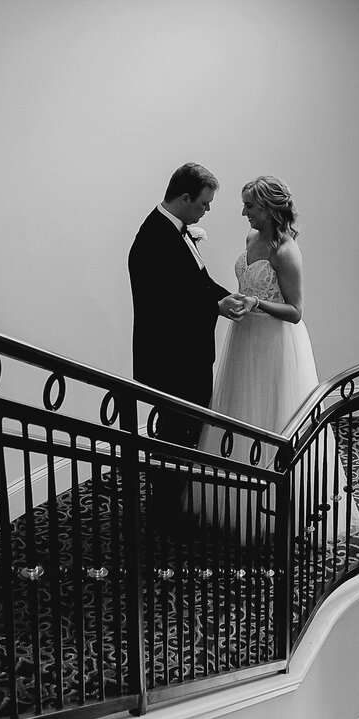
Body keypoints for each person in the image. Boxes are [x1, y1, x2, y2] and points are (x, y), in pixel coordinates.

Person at [196, 176, 359, 544]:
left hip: (275, 342)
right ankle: (236, 499)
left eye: (249, 207)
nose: (243, 213)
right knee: (241, 410)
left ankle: (278, 506)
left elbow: (296, 311)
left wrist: (256, 304)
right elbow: (247, 286)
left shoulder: (285, 251)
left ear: (269, 208)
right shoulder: (251, 239)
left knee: (275, 414)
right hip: (245, 338)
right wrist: (239, 302)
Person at [128, 164, 246, 522]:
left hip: (187, 354)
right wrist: (215, 307)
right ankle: (164, 510)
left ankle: (172, 500)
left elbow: (197, 282)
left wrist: (228, 300)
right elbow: (165, 305)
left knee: (184, 429)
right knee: (176, 434)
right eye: (203, 204)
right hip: (171, 358)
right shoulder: (154, 238)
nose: (206, 211)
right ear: (184, 198)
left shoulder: (175, 231)